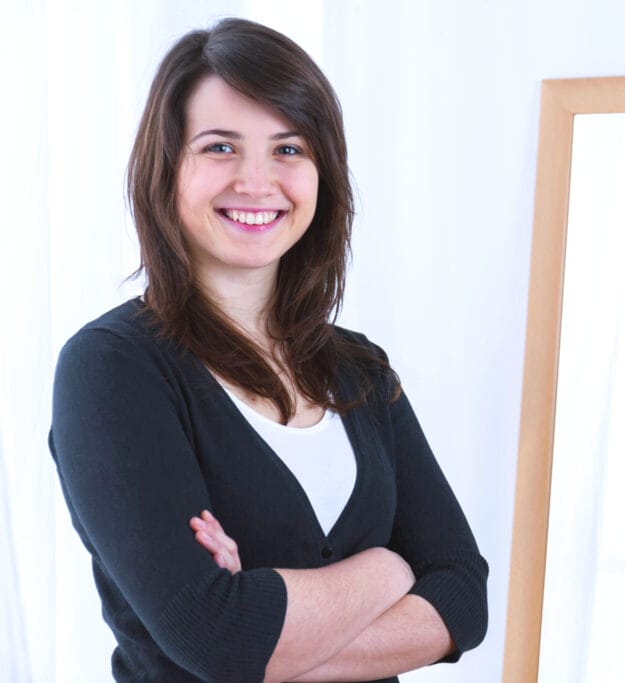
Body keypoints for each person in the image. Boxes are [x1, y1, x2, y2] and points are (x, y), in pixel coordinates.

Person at [49, 18, 487, 683]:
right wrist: (389, 568)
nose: (257, 181)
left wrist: (275, 640)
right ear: (167, 168)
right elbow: (217, 636)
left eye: (288, 149)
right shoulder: (111, 368)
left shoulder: (361, 370)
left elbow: (463, 594)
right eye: (220, 147)